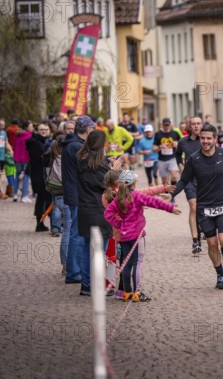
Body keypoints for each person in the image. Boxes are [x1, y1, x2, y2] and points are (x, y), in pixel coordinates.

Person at [174, 123, 223, 289]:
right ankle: (220, 274)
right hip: (204, 206)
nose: (205, 141)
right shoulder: (194, 158)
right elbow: (184, 180)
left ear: (215, 139)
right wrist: (170, 194)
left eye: (208, 138)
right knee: (212, 243)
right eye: (203, 138)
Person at [105, 170, 180, 302]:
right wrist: (170, 208)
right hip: (137, 237)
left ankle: (127, 293)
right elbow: (154, 202)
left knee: (126, 264)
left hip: (123, 236)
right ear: (133, 183)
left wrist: (119, 224)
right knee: (137, 263)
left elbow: (107, 213)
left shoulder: (118, 198)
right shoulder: (137, 196)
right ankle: (137, 293)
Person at [77, 130, 123, 296]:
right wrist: (113, 170)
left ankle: (86, 284)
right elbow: (109, 186)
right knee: (99, 250)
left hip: (84, 208)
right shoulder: (102, 166)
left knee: (85, 247)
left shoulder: (81, 162)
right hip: (99, 209)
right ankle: (96, 285)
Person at [62, 116, 96, 285]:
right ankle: (74, 272)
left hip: (75, 193)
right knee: (76, 234)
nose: (93, 131)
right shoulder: (76, 146)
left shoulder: (74, 144)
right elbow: (87, 167)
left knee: (76, 233)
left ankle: (74, 270)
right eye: (91, 128)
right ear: (86, 129)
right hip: (76, 194)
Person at [175, 115, 203, 253]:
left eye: (199, 123)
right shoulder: (183, 142)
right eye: (194, 124)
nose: (196, 126)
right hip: (189, 179)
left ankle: (202, 228)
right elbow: (177, 154)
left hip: (205, 180)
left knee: (202, 209)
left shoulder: (206, 140)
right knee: (193, 206)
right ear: (190, 126)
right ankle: (195, 241)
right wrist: (180, 165)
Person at [45, 134, 70, 275]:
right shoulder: (61, 159)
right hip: (64, 194)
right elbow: (63, 179)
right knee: (68, 231)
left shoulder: (53, 156)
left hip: (57, 195)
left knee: (67, 230)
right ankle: (66, 265)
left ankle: (66, 265)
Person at [26, 123, 52, 232]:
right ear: (36, 131)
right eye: (41, 129)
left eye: (46, 129)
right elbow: (42, 158)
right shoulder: (35, 143)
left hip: (41, 175)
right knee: (46, 199)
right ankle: (42, 222)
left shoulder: (41, 141)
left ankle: (40, 222)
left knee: (42, 199)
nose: (44, 131)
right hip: (40, 176)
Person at [153, 118, 180, 187]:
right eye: (165, 125)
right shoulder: (158, 134)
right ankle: (167, 195)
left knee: (174, 176)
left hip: (172, 158)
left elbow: (182, 144)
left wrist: (177, 144)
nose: (167, 126)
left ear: (170, 124)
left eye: (168, 125)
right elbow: (154, 148)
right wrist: (160, 147)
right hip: (162, 159)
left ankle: (172, 193)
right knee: (165, 181)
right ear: (162, 125)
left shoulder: (175, 133)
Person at [12, 121, 33, 202]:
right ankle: (24, 196)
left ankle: (15, 194)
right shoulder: (29, 135)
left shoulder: (17, 135)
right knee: (26, 177)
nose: (32, 128)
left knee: (17, 176)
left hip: (17, 158)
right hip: (26, 158)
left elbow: (14, 147)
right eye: (31, 126)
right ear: (27, 127)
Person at [0, 119, 13, 199]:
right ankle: (2, 192)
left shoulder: (3, 133)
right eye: (1, 125)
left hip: (2, 156)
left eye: (3, 125)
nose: (3, 127)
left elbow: (6, 143)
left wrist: (10, 150)